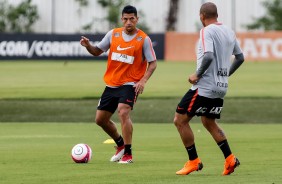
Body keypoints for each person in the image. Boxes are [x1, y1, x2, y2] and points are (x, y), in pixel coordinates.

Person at [174, 2, 244, 175]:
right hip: (221, 87)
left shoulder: (206, 31)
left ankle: (193, 161)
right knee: (208, 121)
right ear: (217, 15)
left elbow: (209, 56)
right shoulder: (229, 31)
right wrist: (225, 75)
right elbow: (240, 57)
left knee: (180, 120)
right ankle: (230, 159)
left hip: (204, 86)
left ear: (202, 16)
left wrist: (197, 74)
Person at [80, 5, 157, 164]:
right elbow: (96, 51)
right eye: (126, 19)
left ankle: (128, 154)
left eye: (132, 19)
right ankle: (120, 144)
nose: (129, 22)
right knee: (100, 120)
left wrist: (142, 81)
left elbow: (153, 63)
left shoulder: (143, 39)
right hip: (111, 84)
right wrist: (88, 45)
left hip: (130, 84)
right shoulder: (113, 34)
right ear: (122, 19)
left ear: (137, 19)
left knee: (123, 112)